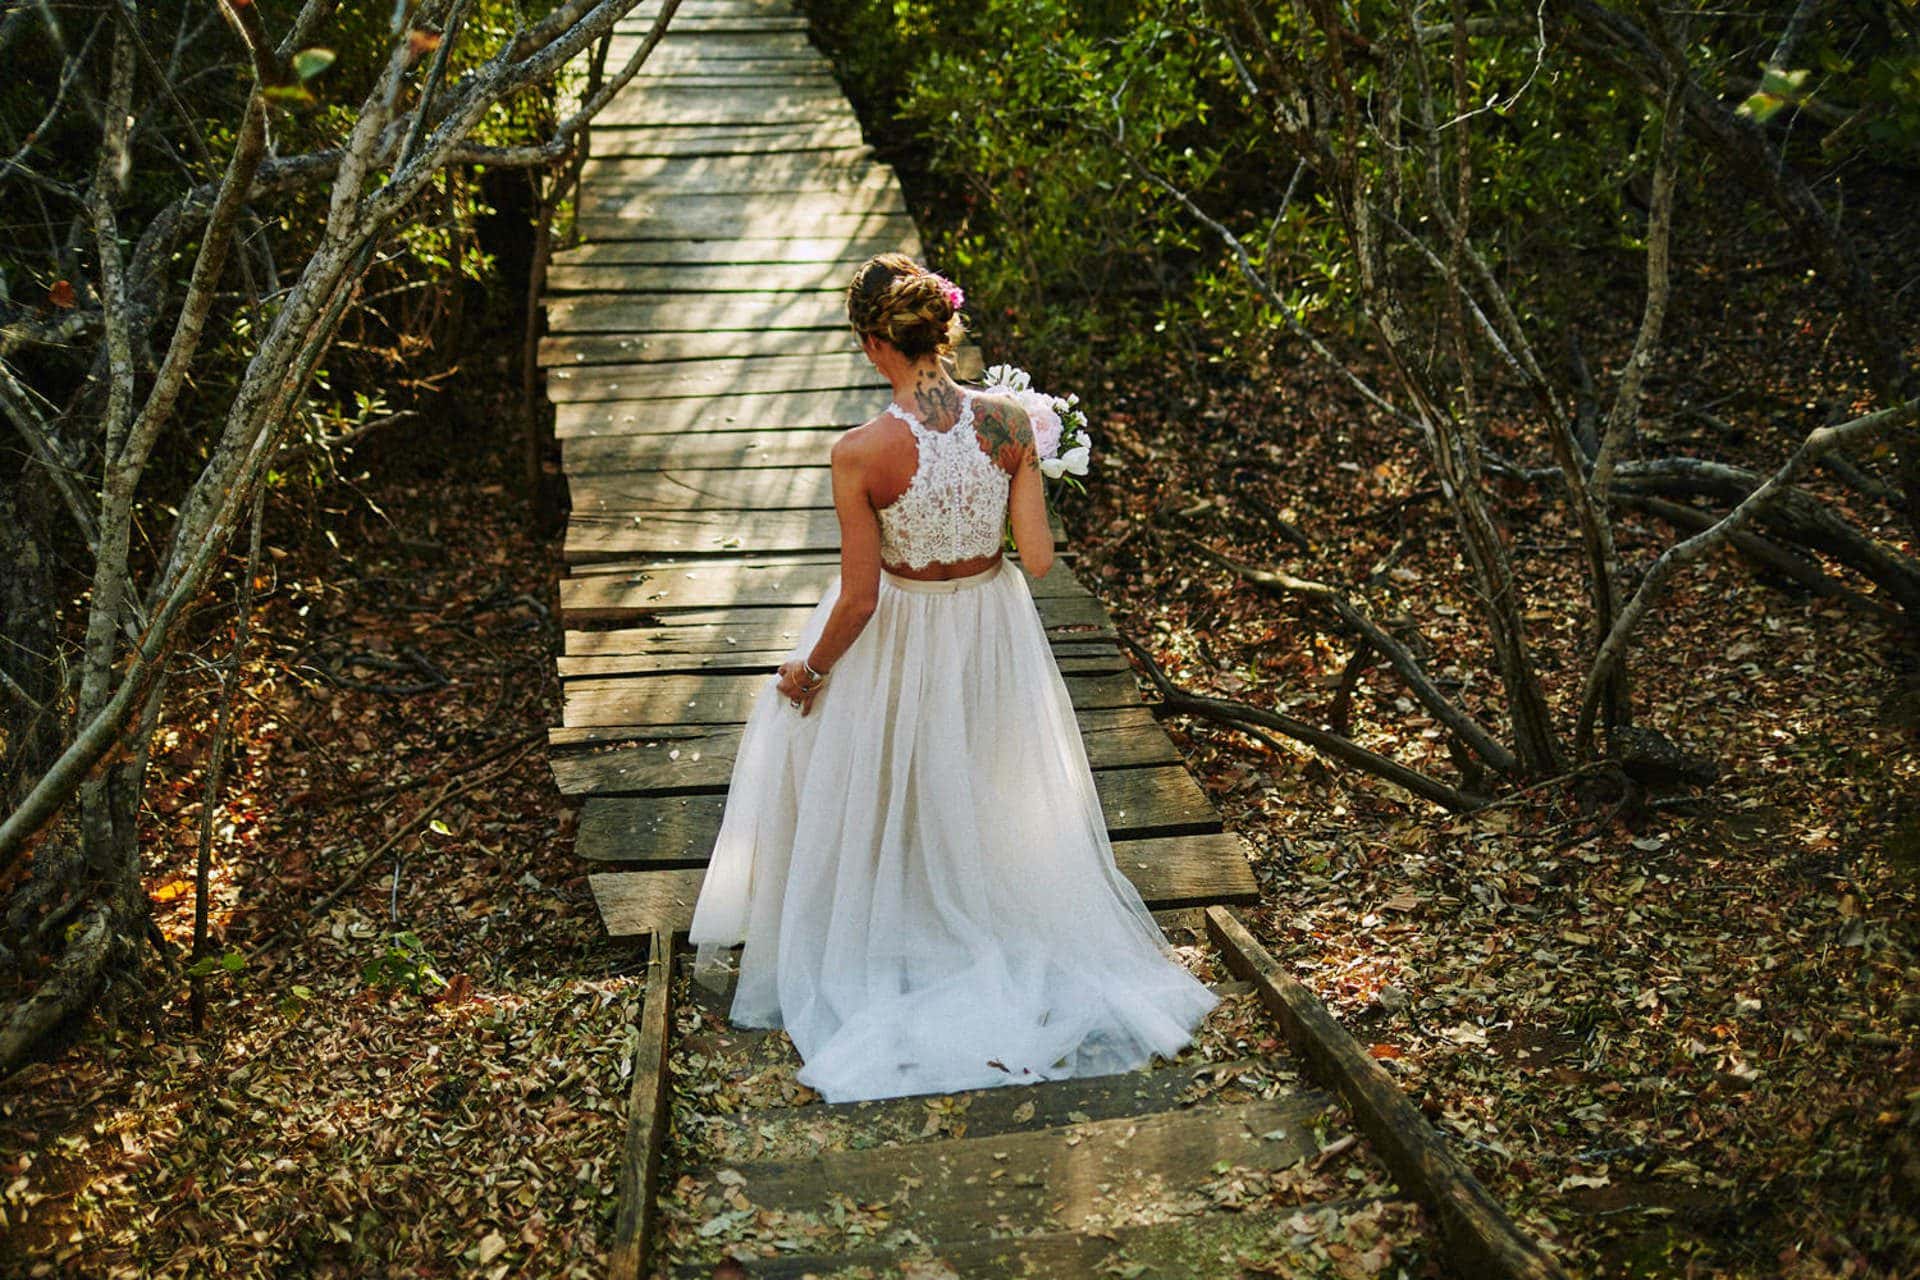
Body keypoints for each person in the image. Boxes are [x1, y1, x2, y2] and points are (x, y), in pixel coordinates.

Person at [685, 253, 1218, 1103]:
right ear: (944, 330)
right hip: (989, 627)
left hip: (901, 632)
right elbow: (1038, 560)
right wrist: (1018, 482)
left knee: (860, 761)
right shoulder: (1009, 423)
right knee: (980, 775)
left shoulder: (859, 453)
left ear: (871, 345)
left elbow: (858, 601)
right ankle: (974, 909)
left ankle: (892, 917)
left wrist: (809, 673)